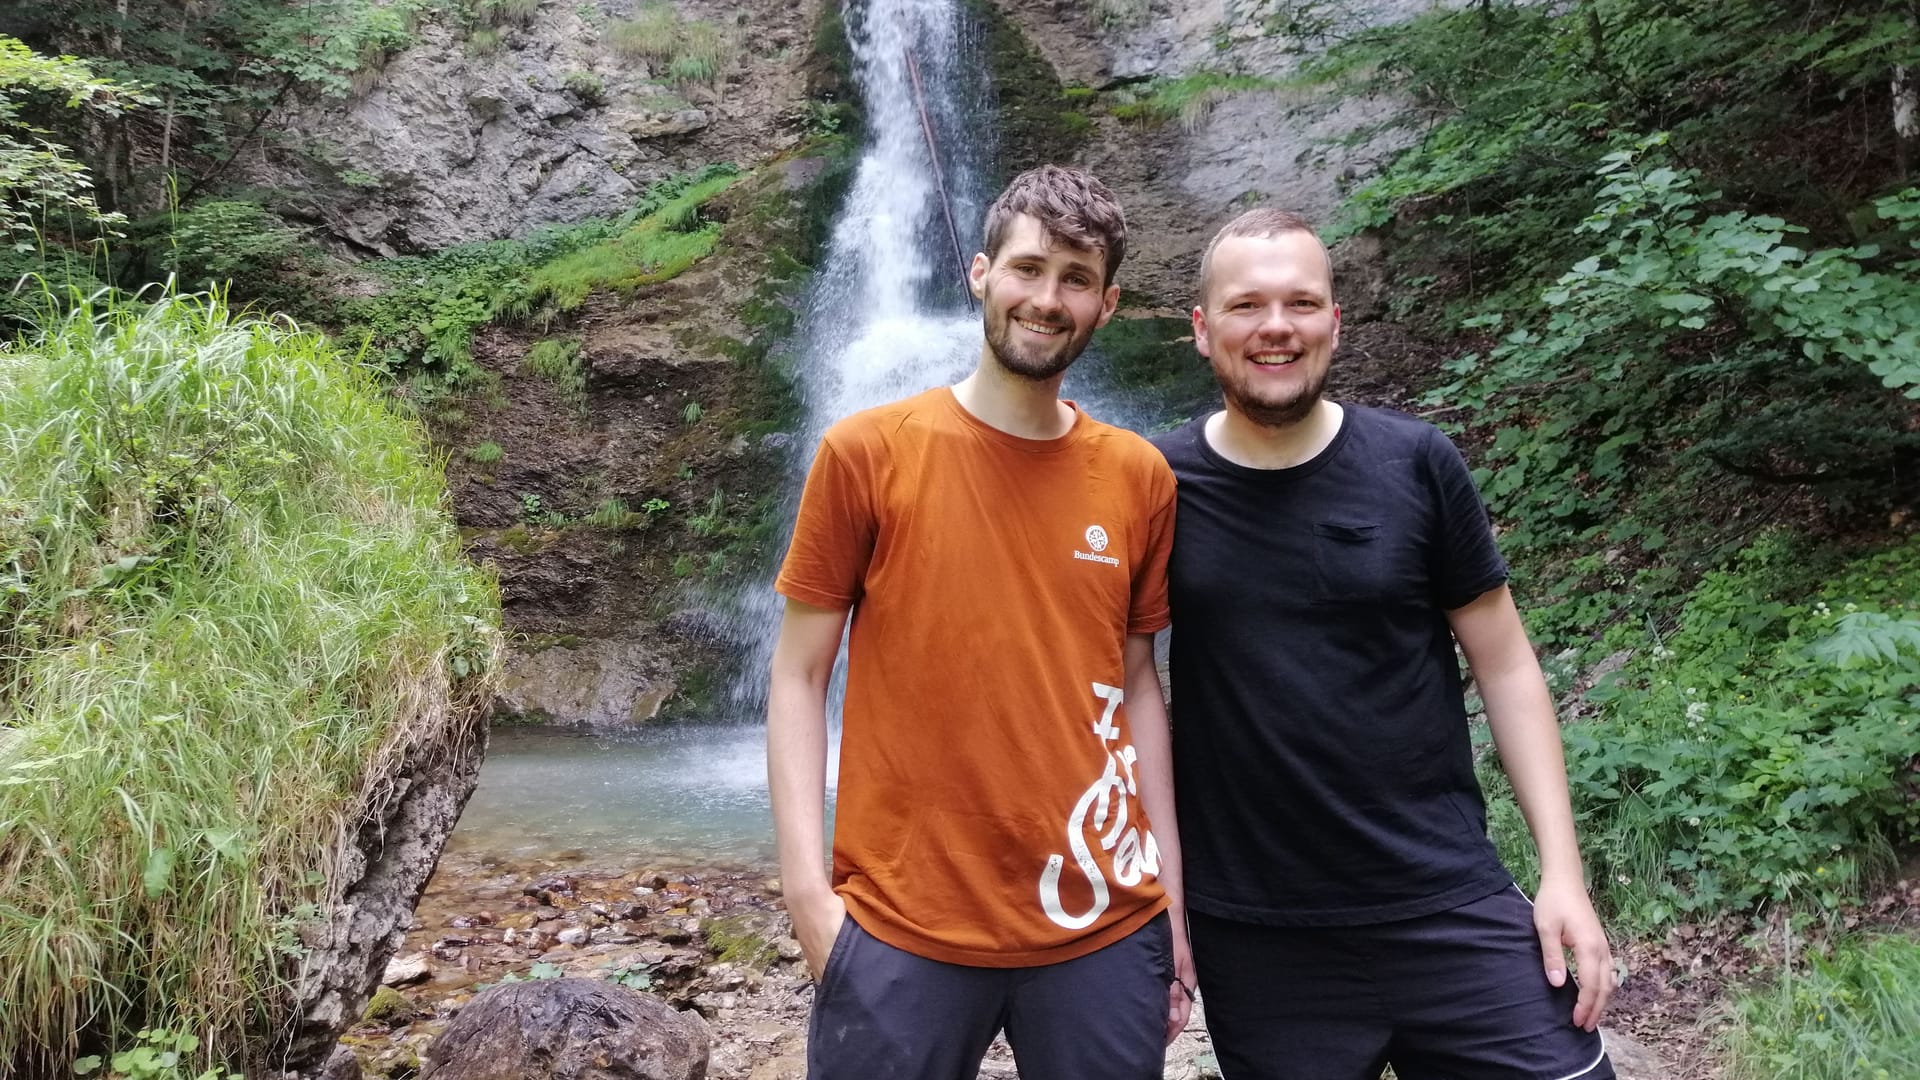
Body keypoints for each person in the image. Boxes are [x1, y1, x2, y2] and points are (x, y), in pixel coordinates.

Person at [1153, 207, 1617, 1080]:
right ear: (1202, 328)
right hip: (1260, 935)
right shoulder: (1153, 486)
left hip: (1442, 896)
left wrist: (1563, 875)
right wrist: (1164, 909)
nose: (1277, 327)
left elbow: (1507, 665)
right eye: (1248, 305)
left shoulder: (1416, 462)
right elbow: (1123, 691)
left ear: (1335, 319)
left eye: (1301, 302)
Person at [765, 164, 1194, 1080]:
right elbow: (799, 675)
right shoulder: (865, 453)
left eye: (1076, 279)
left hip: (1104, 923)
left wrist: (1174, 909)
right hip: (895, 924)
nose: (1048, 298)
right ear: (980, 273)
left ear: (1106, 305)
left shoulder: (1137, 477)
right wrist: (809, 895)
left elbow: (1138, 684)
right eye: (1029, 268)